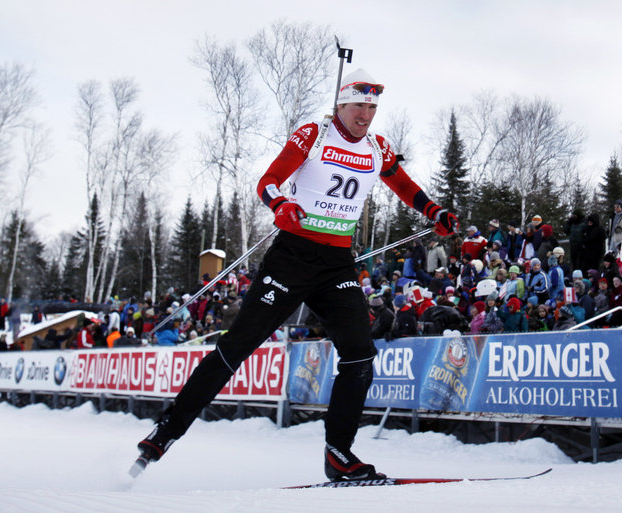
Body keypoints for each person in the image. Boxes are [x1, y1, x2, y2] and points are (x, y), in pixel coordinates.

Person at [135, 68, 458, 481]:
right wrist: (280, 205)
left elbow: (402, 183)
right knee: (236, 348)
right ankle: (166, 430)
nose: (366, 114)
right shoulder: (315, 135)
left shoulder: (378, 147)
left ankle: (339, 454)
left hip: (337, 263)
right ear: (340, 104)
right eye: (359, 105)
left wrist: (433, 211)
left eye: (373, 107)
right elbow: (268, 182)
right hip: (292, 257)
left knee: (360, 356)